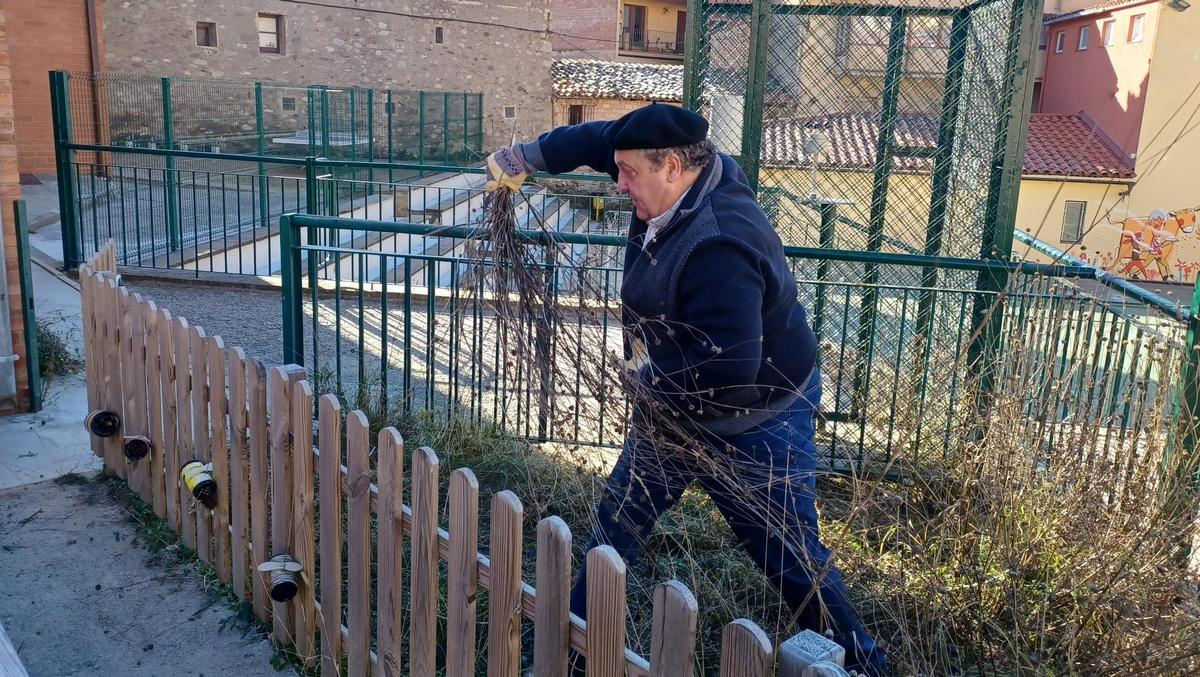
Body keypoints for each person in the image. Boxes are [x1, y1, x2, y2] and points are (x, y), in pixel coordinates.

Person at [485, 104, 888, 675]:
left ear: (672, 167)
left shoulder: (719, 246)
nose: (618, 183)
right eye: (618, 170)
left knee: (787, 555)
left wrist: (645, 383)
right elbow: (596, 139)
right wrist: (522, 157)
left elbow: (729, 371)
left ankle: (864, 664)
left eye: (628, 174)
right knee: (617, 523)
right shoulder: (656, 165)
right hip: (674, 402)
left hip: (759, 416)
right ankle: (570, 660)